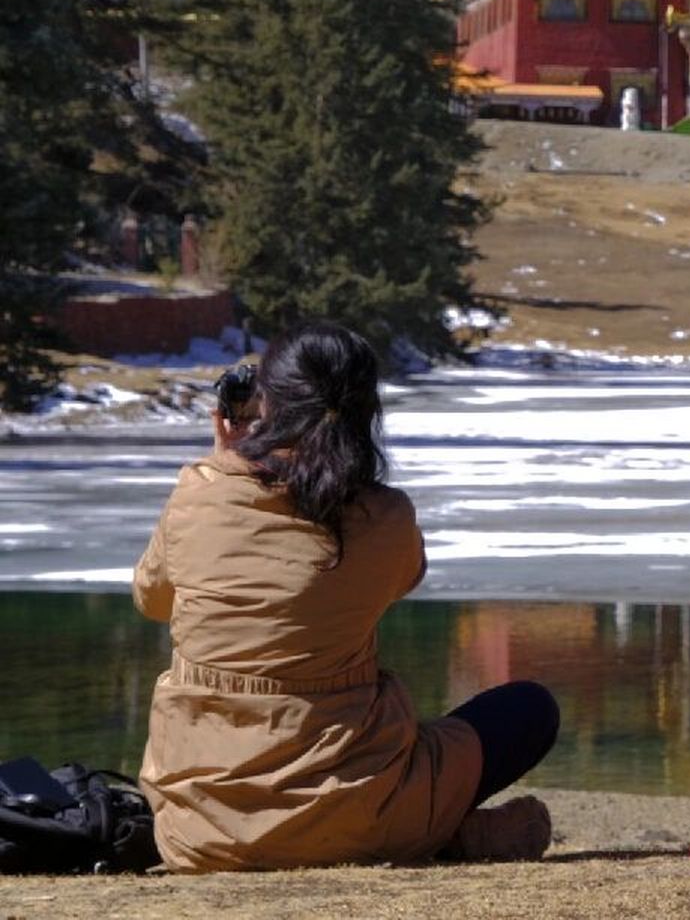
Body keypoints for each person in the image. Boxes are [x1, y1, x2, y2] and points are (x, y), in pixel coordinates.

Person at [135, 322, 560, 872]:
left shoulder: (199, 493)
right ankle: (441, 833)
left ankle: (436, 835)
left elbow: (154, 601)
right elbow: (403, 578)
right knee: (529, 709)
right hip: (358, 810)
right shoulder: (384, 516)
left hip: (203, 826)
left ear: (267, 403)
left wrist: (227, 465)